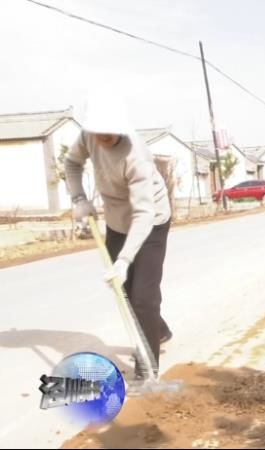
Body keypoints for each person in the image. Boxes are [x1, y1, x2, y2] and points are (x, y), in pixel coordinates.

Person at [64, 95, 172, 379]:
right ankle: (156, 329)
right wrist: (79, 198)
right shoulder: (89, 135)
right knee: (123, 291)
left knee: (143, 298)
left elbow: (143, 214)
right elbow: (72, 163)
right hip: (116, 221)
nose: (101, 137)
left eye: (108, 132)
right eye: (96, 131)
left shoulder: (135, 155)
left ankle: (147, 372)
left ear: (121, 128)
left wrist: (125, 259)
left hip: (151, 221)